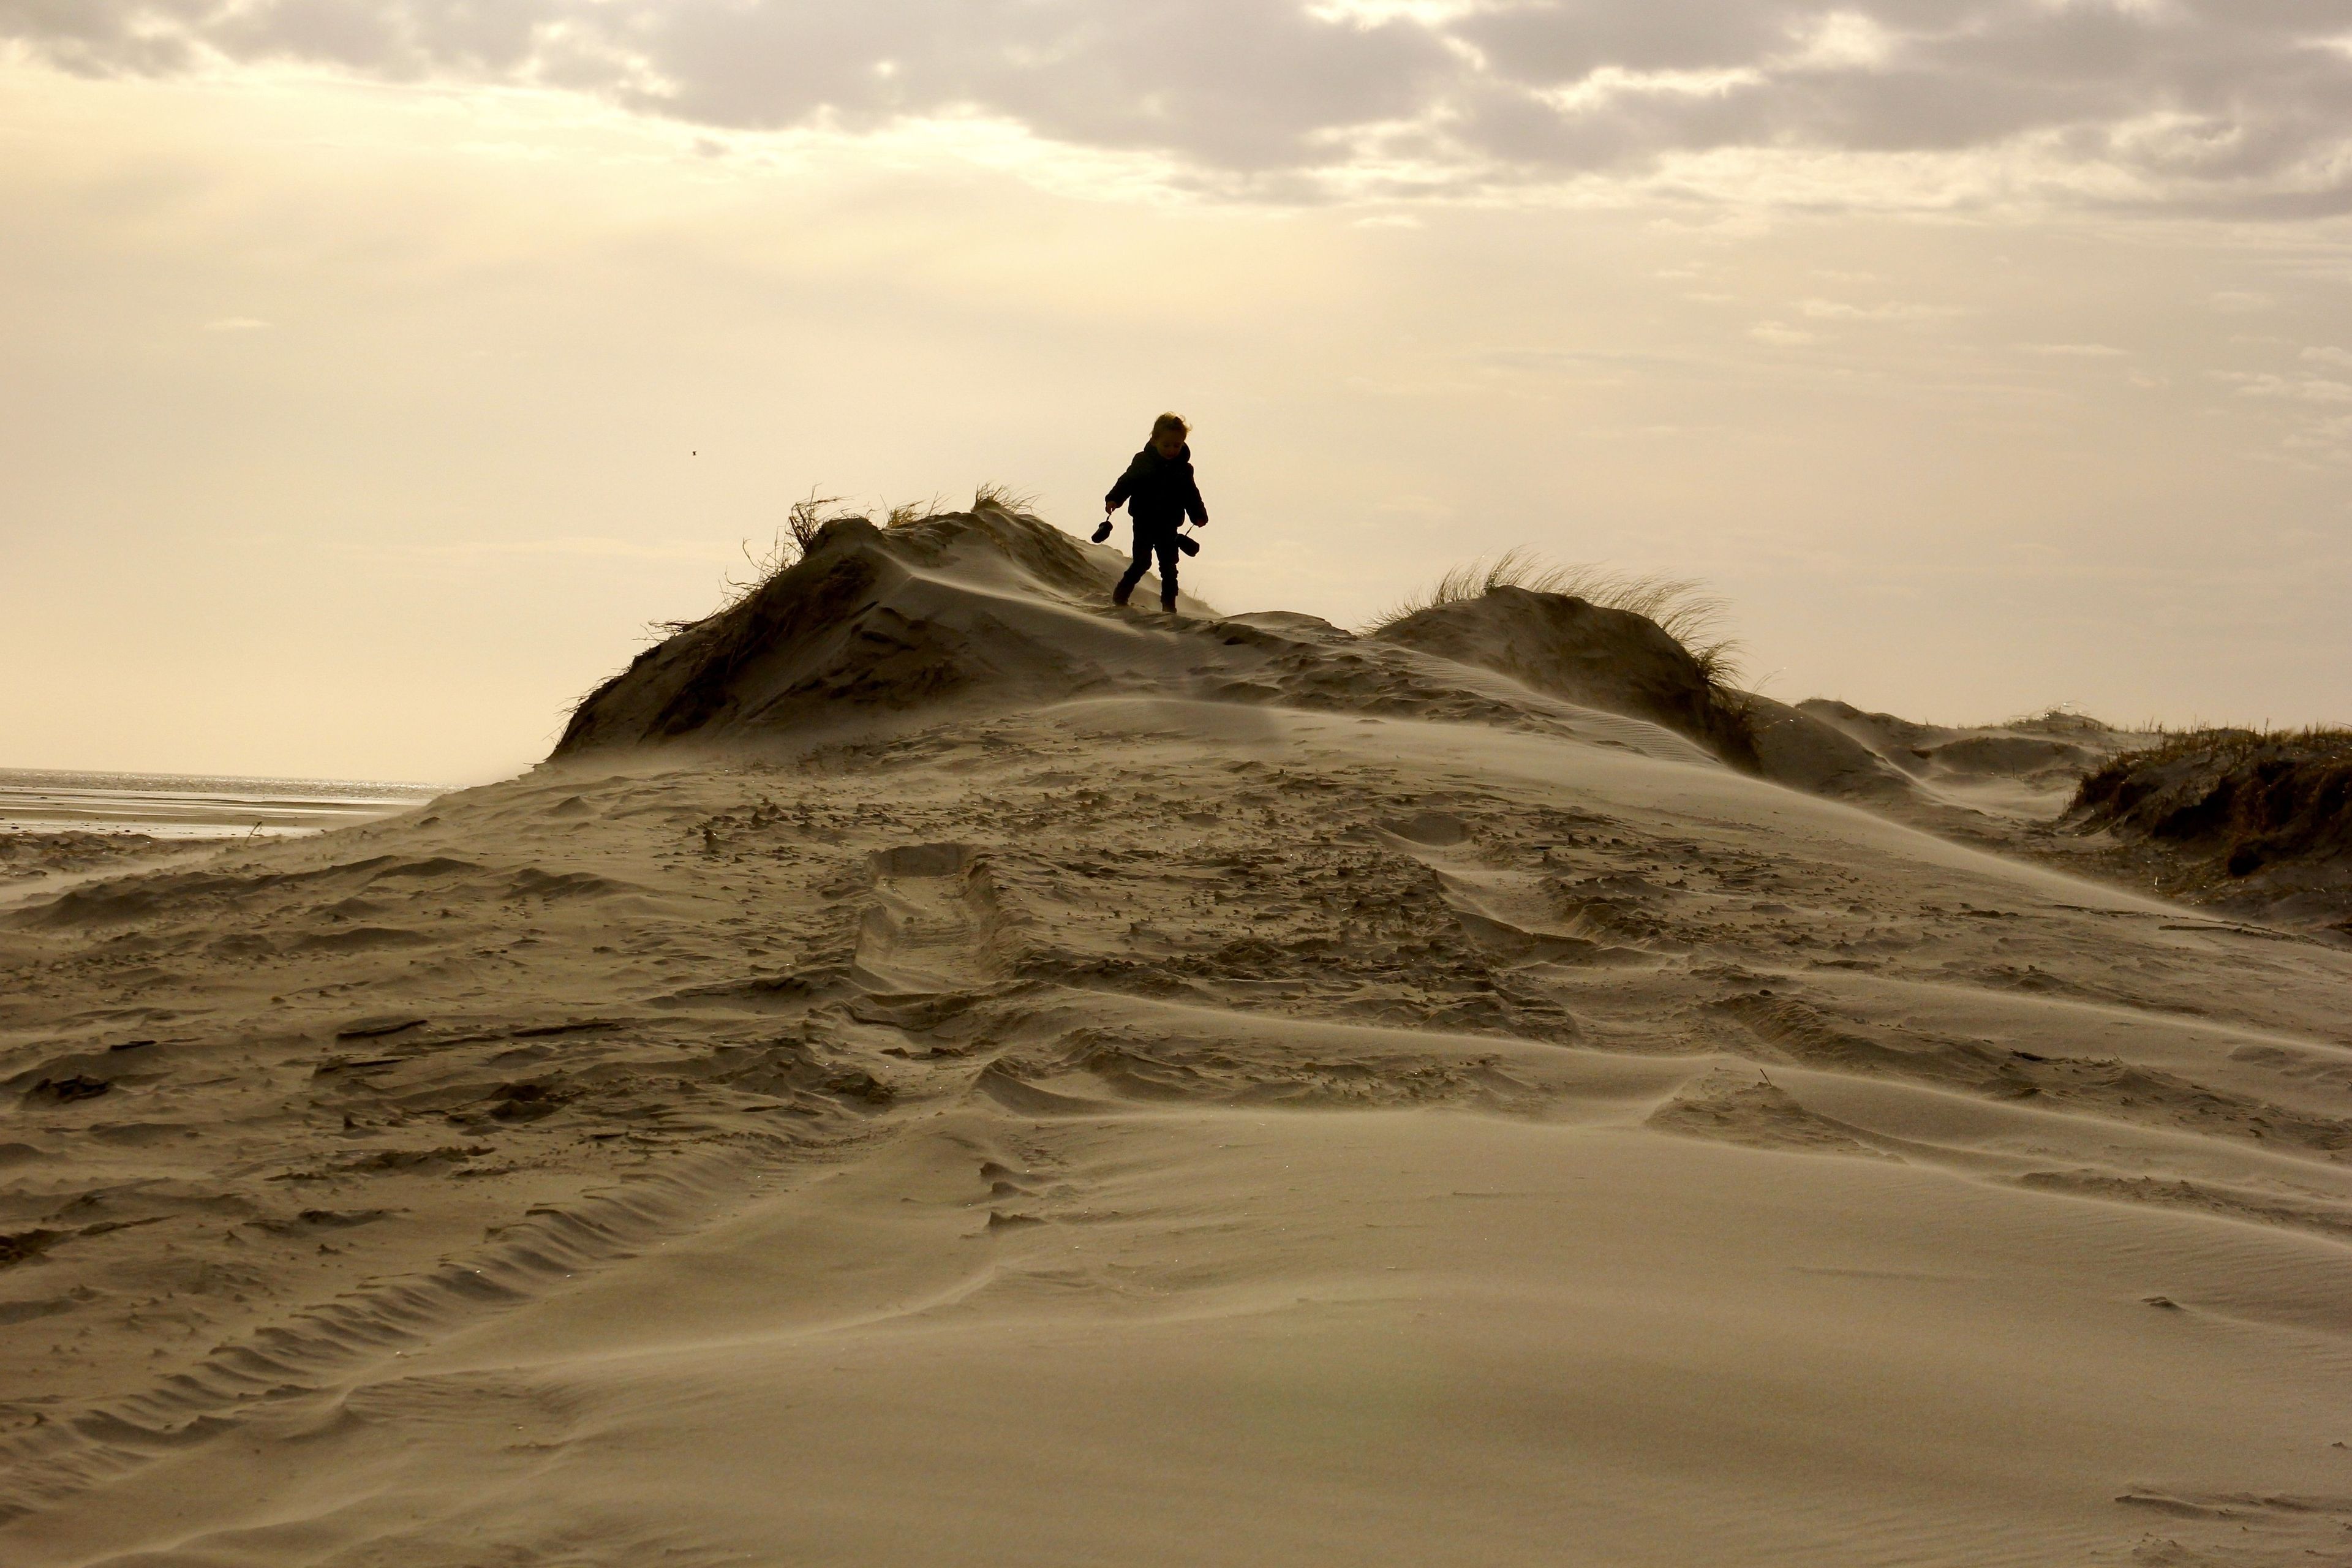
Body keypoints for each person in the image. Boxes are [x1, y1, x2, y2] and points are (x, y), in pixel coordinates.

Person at [1095, 413, 1207, 612]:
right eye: (1167, 445)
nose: (1172, 450)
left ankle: (1169, 607)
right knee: (1142, 562)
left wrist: (1198, 514)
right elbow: (1127, 481)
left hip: (1170, 523)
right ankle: (1121, 594)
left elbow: (1191, 494)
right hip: (1143, 520)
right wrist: (1114, 498)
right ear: (1155, 440)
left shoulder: (1184, 469)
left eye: (1177, 445)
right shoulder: (1143, 461)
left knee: (1169, 567)